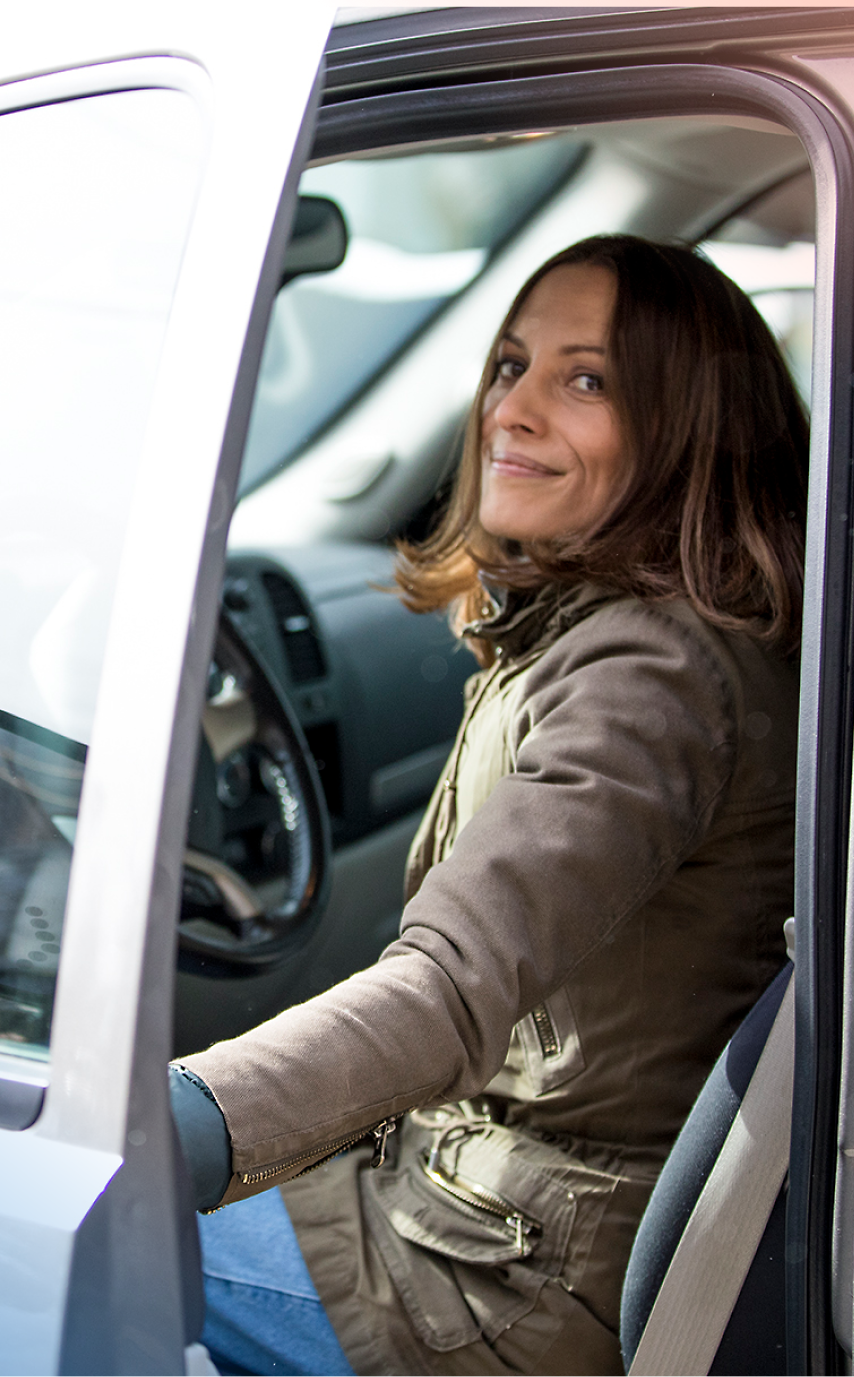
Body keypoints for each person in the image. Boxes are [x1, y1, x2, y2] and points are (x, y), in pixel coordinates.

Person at [171, 234, 810, 1377]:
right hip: (485, 1214)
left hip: (501, 1280)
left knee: (52, 1249)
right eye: (510, 364)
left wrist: (171, 1125)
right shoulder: (629, 636)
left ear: (688, 427)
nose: (508, 410)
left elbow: (447, 995)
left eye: (585, 379)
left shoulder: (648, 678)